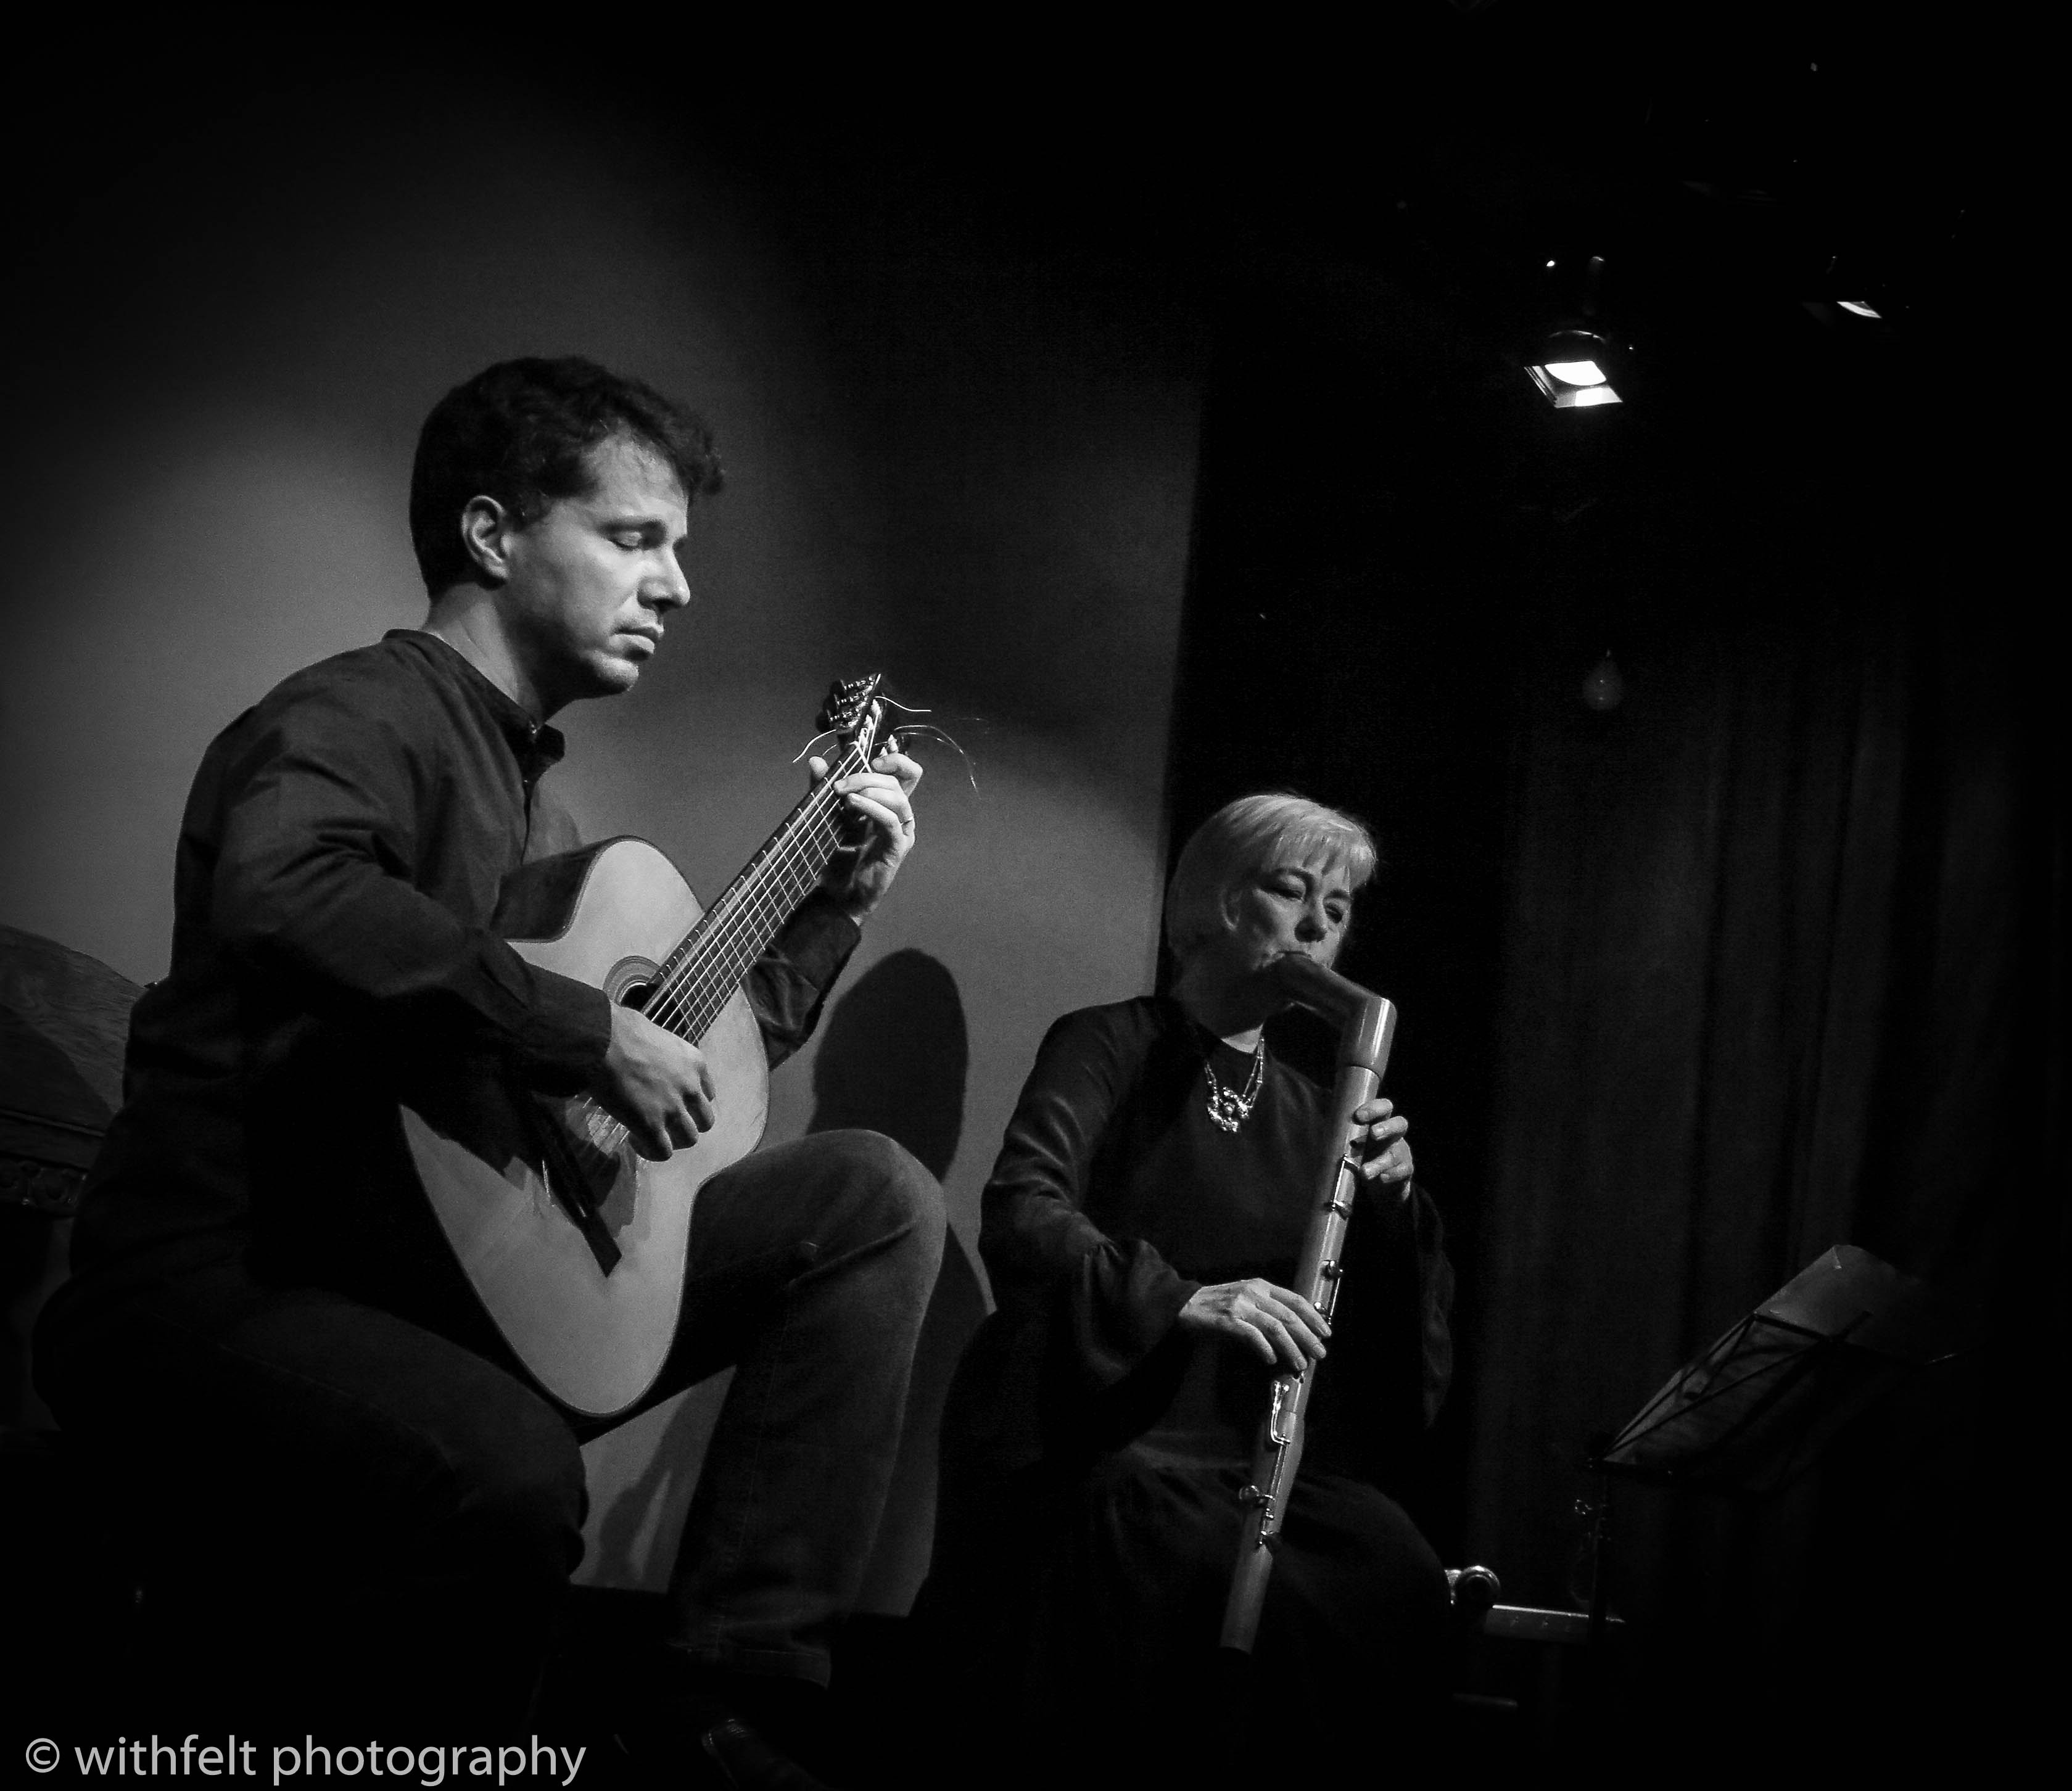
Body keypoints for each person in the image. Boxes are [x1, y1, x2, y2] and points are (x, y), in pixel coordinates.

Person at [33, 357, 943, 1784]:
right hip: (228, 1275)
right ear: (492, 535)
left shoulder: (540, 810)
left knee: (872, 1200)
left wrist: (832, 903)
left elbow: (707, 1071)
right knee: (509, 1471)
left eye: (680, 553)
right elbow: (285, 892)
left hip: (435, 1275)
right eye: (636, 539)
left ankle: (728, 1700)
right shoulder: (357, 716)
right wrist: (586, 1032)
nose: (677, 586)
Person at [921, 793, 1454, 1782]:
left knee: (1394, 1568)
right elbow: (1024, 1210)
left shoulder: (1321, 1110)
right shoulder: (1108, 1042)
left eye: (1335, 911)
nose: (1313, 929)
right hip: (1099, 1428)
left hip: (1233, 1452)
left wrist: (1395, 1203)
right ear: (1213, 902)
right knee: (1155, 1554)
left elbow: (1389, 1351)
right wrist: (1181, 1300)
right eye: (1289, 893)